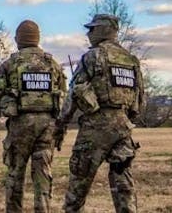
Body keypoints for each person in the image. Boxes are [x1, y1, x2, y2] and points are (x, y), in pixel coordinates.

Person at [54, 13, 145, 213]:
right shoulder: (131, 60)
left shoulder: (92, 56)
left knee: (78, 186)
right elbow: (139, 100)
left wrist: (60, 124)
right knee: (123, 186)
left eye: (92, 29)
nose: (88, 33)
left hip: (95, 128)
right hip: (123, 128)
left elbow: (74, 93)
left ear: (103, 30)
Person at [0, 19, 66, 213]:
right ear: (37, 38)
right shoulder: (52, 64)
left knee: (15, 174)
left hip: (20, 125)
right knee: (43, 175)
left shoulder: (10, 64)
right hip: (47, 126)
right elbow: (63, 98)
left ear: (18, 39)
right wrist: (60, 130)